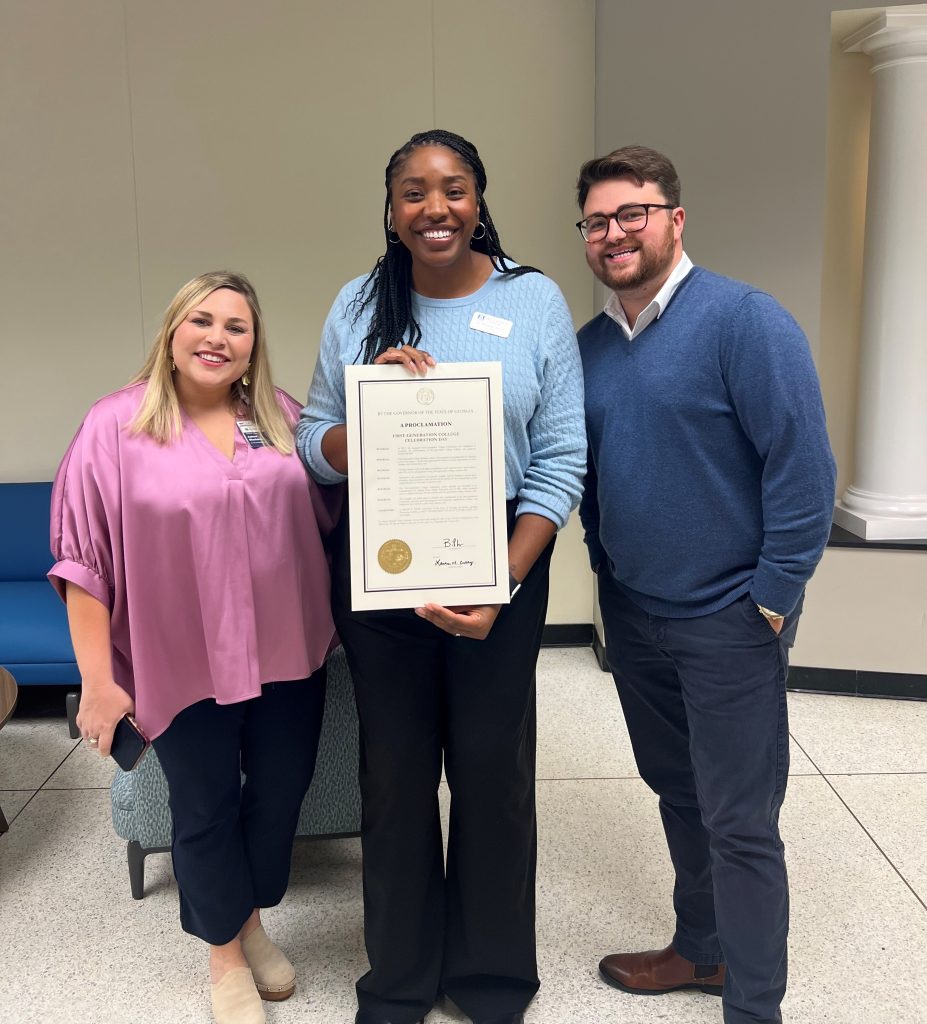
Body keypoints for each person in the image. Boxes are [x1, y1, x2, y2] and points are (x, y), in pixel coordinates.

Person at [298, 129, 585, 1024]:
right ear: (390, 210)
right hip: (383, 566)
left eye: (452, 189)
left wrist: (503, 576)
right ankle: (400, 979)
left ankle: (493, 979)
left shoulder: (532, 300)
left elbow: (561, 454)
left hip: (500, 558)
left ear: (479, 199)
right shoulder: (357, 304)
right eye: (413, 193)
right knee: (395, 774)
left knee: (494, 773)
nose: (434, 209)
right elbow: (313, 441)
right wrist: (367, 412)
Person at [573, 146, 836, 1024]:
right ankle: (702, 951)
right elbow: (589, 476)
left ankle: (753, 1009)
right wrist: (605, 570)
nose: (613, 233)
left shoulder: (744, 321)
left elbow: (802, 470)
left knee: (739, 821)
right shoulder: (591, 347)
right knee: (677, 792)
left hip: (729, 620)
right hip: (637, 617)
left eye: (631, 213)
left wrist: (770, 598)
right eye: (596, 221)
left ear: (673, 220)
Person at [49, 271, 341, 1024]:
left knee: (278, 798)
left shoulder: (278, 417)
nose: (217, 337)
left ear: (254, 344)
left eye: (236, 326)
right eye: (201, 321)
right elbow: (84, 563)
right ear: (173, 333)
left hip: (287, 655)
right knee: (205, 808)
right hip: (180, 661)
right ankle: (225, 957)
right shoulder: (114, 427)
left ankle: (245, 918)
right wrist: (98, 681)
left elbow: (337, 509)